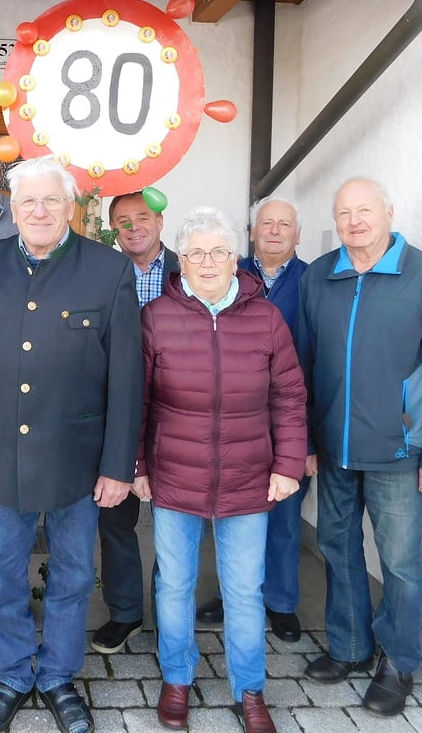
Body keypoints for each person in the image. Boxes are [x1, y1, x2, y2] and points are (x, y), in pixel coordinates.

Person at [0, 156, 143, 733]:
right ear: (13, 208)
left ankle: (58, 674)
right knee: (5, 571)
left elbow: (127, 379)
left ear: (71, 208)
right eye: (28, 201)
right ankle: (13, 673)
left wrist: (118, 465)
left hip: (79, 461)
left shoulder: (109, 269)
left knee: (75, 574)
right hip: (1, 458)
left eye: (51, 200)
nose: (39, 211)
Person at [297, 178, 422, 717]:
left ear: (389, 214)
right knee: (337, 548)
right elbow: (301, 366)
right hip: (334, 449)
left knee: (399, 563)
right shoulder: (319, 276)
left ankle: (398, 662)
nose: (354, 222)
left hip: (400, 453)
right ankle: (350, 647)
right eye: (344, 212)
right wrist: (304, 440)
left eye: (365, 211)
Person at [135, 206, 306, 733]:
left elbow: (289, 397)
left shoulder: (266, 318)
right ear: (181, 261)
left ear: (236, 260)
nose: (207, 262)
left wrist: (288, 464)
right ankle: (177, 678)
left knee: (244, 590)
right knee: (174, 585)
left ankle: (249, 688)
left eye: (218, 252)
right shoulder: (157, 317)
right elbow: (136, 399)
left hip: (248, 476)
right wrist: (137, 464)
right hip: (174, 474)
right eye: (196, 253)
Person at [195, 197, 316, 643]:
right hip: (233, 423)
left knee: (283, 518)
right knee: (231, 516)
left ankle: (280, 603)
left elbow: (316, 362)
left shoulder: (312, 281)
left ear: (298, 234)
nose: (275, 231)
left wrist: (308, 443)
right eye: (267, 223)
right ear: (251, 232)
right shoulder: (231, 272)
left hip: (288, 421)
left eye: (285, 224)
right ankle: (231, 596)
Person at [90, 191, 177, 655]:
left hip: (177, 410)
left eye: (142, 217)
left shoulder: (188, 270)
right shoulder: (102, 272)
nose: (133, 227)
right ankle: (125, 612)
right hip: (118, 407)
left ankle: (171, 613)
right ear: (113, 229)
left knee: (175, 521)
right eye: (122, 221)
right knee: (115, 514)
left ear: (160, 221)